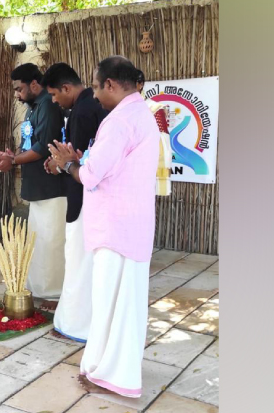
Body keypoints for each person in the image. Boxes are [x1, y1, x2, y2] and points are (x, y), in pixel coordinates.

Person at [49, 56, 159, 398]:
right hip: (129, 226)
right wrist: (79, 160)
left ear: (110, 84)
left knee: (114, 304)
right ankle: (112, 368)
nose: (95, 95)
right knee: (123, 304)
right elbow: (110, 166)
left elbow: (92, 175)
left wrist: (67, 165)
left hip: (116, 229)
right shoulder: (140, 113)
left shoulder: (120, 121)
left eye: (97, 87)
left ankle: (114, 375)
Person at [0, 63, 67, 311]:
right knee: (40, 240)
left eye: (19, 89)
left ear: (34, 84)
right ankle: (41, 288)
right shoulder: (34, 107)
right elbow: (30, 144)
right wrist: (13, 156)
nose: (16, 94)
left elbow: (44, 147)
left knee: (52, 241)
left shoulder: (48, 105)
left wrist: (13, 161)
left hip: (52, 187)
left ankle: (56, 293)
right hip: (38, 187)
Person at [41, 63, 108, 343]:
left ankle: (76, 325)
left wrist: (57, 165)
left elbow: (77, 161)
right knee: (84, 262)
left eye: (54, 94)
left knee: (79, 262)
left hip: (83, 198)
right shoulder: (90, 106)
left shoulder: (82, 111)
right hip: (93, 197)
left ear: (67, 88)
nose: (54, 101)